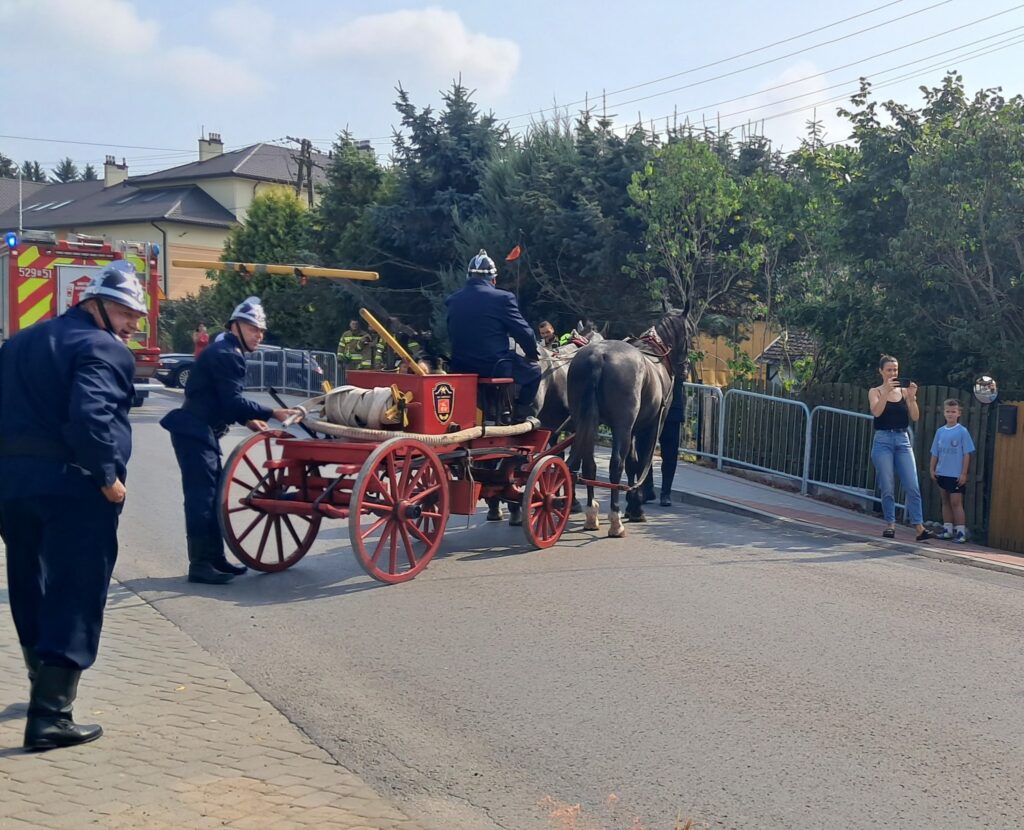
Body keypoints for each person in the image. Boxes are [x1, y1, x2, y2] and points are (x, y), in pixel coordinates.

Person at [0, 261, 148, 750]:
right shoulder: (102, 347)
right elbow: (90, 416)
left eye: (136, 317)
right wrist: (107, 477)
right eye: (125, 313)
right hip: (74, 486)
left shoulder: (20, 342)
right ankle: (51, 715)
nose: (131, 325)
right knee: (77, 590)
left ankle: (38, 681)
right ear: (94, 304)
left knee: (30, 581)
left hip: (13, 486)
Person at [160, 297, 304, 585]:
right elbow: (232, 401)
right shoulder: (228, 354)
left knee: (212, 497)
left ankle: (215, 559)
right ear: (235, 326)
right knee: (201, 500)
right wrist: (272, 412)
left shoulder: (225, 350)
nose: (258, 335)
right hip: (195, 431)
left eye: (261, 331)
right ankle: (200, 565)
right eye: (253, 329)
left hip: (201, 430)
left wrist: (247, 419)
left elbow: (222, 400)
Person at [445, 249, 541, 421]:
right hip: (493, 367)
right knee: (534, 371)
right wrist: (532, 354)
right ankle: (519, 415)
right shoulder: (503, 298)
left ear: (469, 277)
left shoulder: (453, 300)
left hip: (460, 367)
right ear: (493, 279)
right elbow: (524, 333)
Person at [868, 355, 931, 541]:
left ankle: (919, 527)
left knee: (912, 484)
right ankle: (890, 524)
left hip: (902, 439)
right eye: (889, 370)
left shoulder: (903, 391)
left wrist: (911, 399)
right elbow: (876, 412)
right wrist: (886, 393)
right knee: (887, 485)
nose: (892, 373)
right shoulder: (875, 391)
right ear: (881, 371)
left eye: (895, 370)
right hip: (883, 440)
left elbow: (915, 416)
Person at [929, 398, 975, 543]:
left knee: (956, 502)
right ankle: (947, 530)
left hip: (955, 474)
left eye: (953, 412)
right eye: (948, 411)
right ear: (944, 413)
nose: (950, 414)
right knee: (945, 501)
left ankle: (960, 532)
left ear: (959, 413)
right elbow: (935, 452)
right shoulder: (940, 432)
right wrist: (932, 469)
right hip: (942, 472)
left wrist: (963, 473)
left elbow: (967, 454)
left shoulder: (962, 432)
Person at [641, 376, 685, 506]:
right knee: (644, 451)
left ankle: (666, 493)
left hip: (672, 411)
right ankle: (647, 489)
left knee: (669, 455)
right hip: (650, 412)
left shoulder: (676, 363)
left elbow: (682, 373)